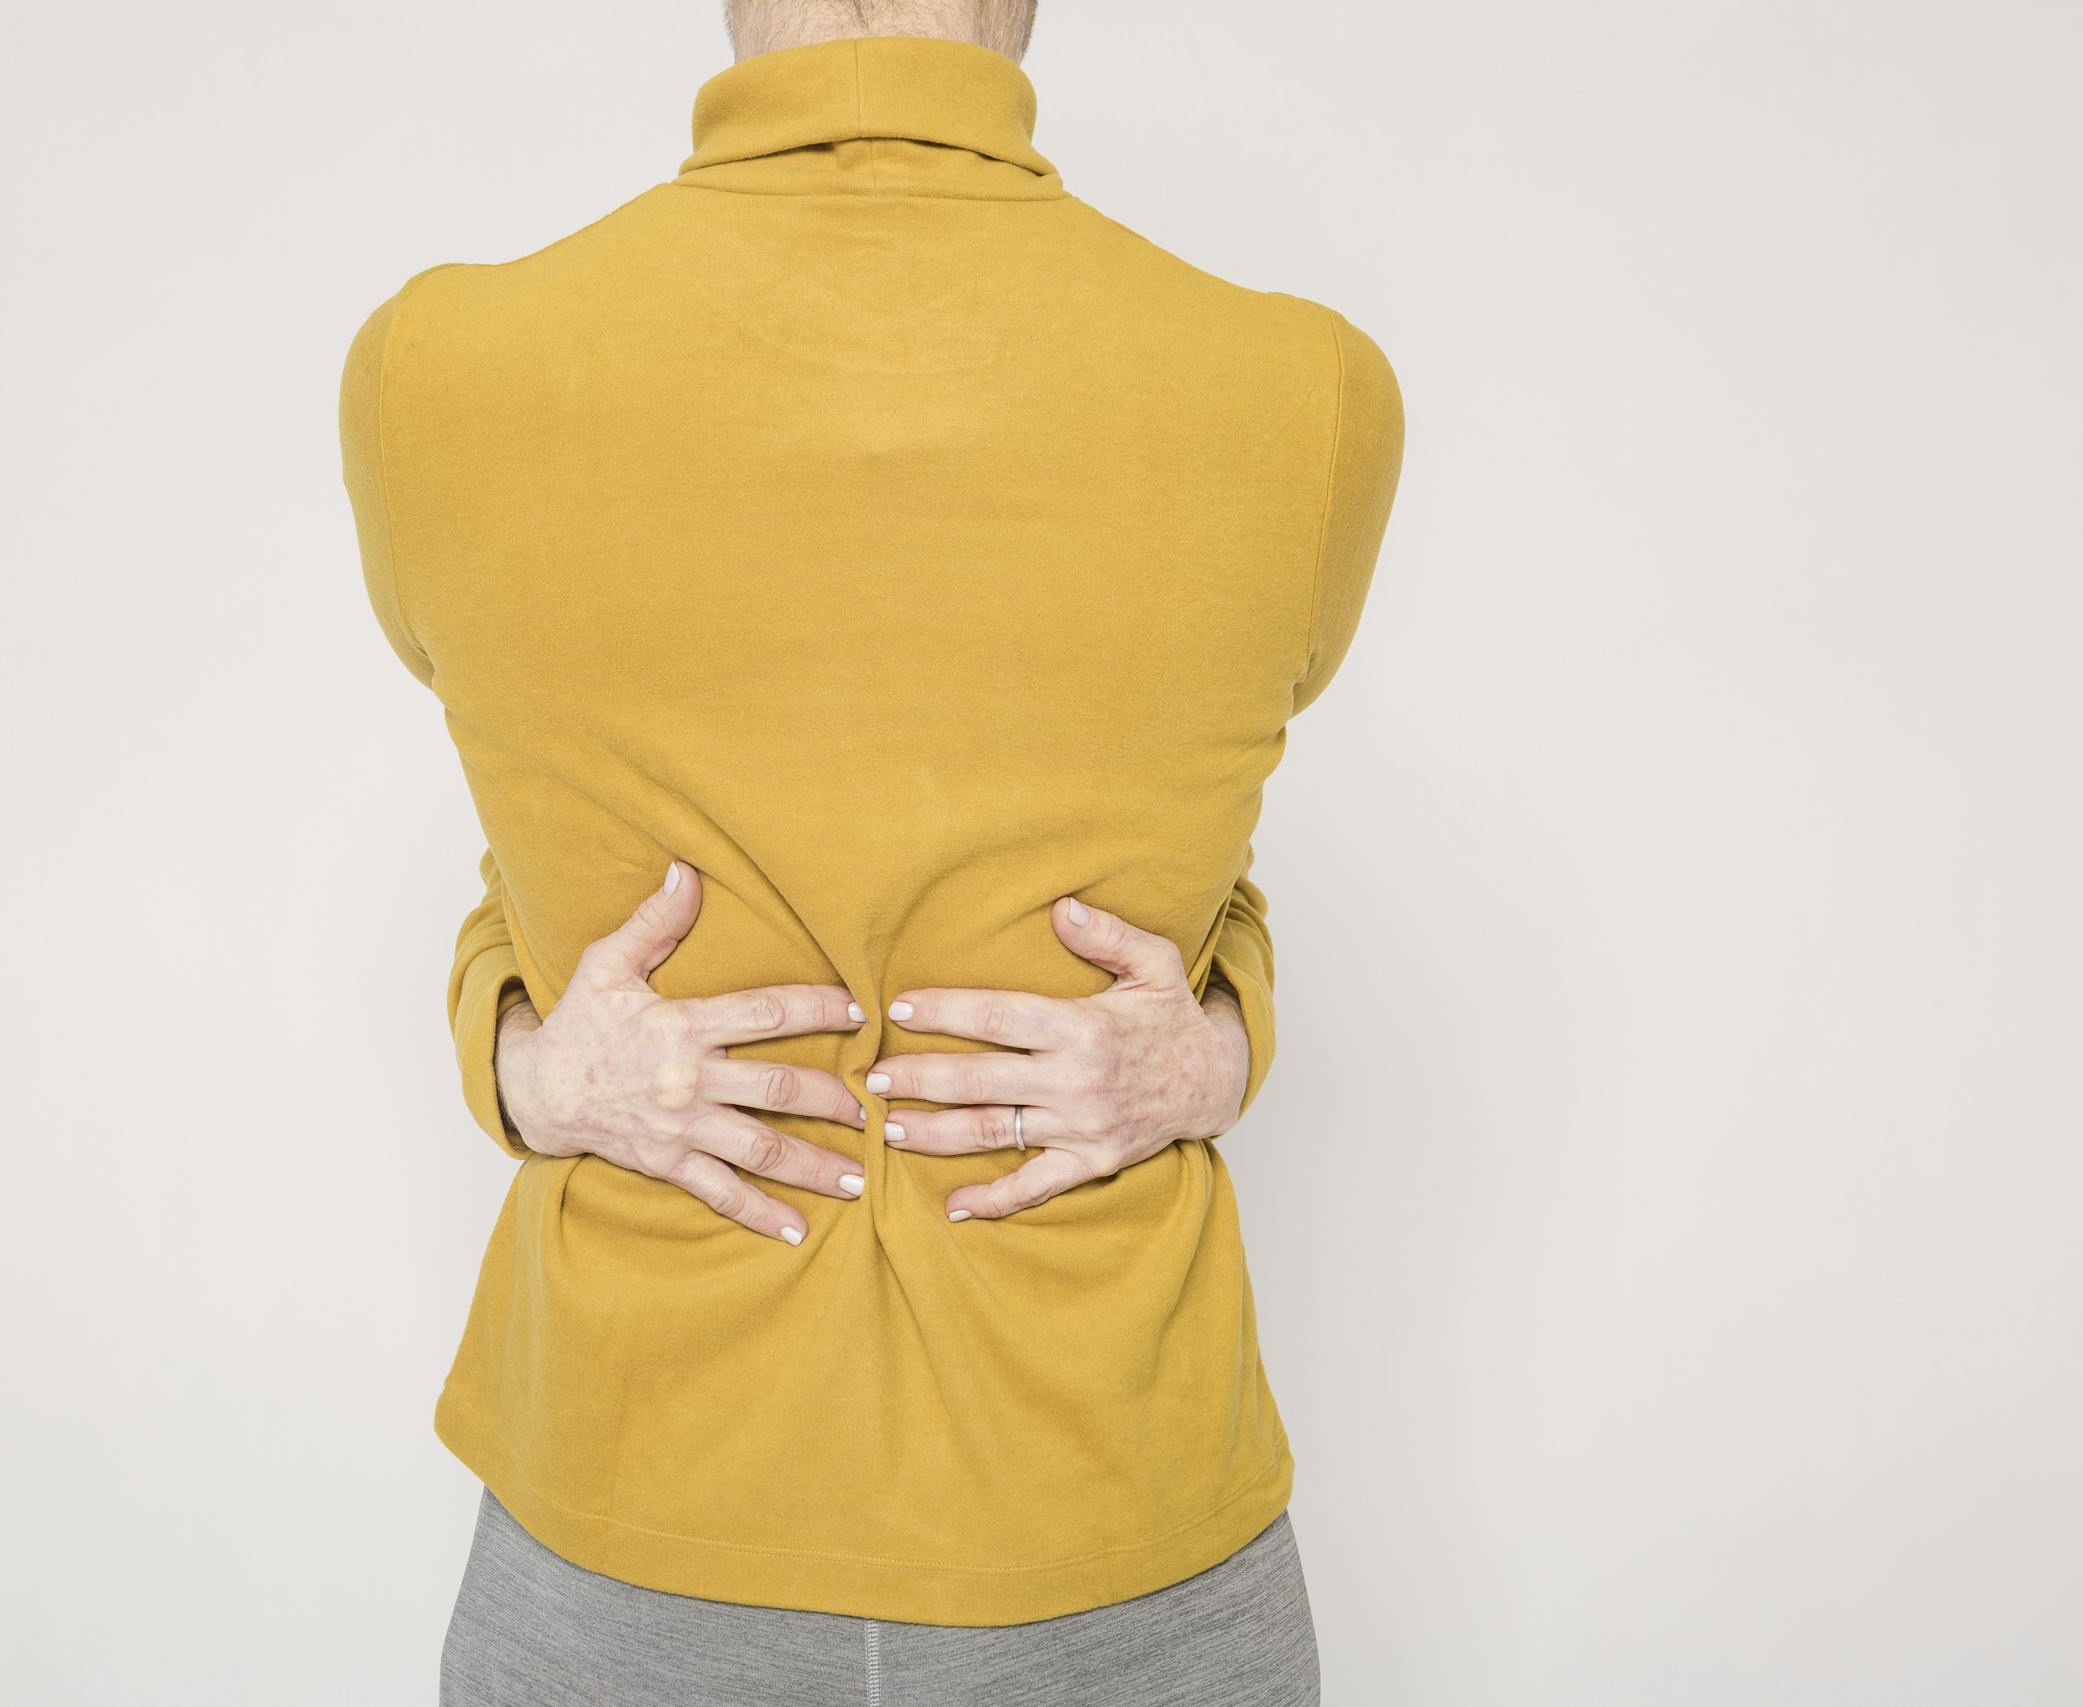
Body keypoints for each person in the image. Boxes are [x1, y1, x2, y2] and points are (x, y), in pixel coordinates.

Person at [338, 1, 1403, 1700]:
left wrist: (528, 1062)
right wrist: (1220, 1035)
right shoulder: (1303, 389)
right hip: (1102, 1514)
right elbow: (1186, 874)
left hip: (639, 1506)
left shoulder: (438, 368)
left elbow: (545, 863)